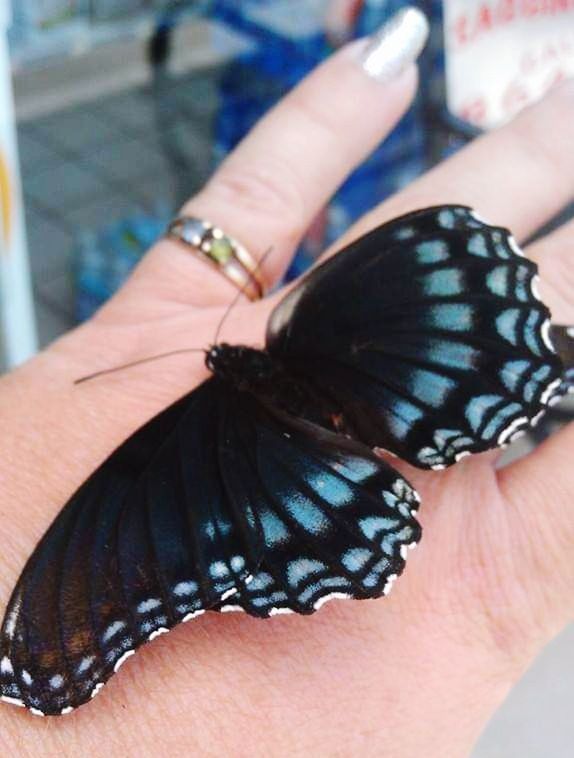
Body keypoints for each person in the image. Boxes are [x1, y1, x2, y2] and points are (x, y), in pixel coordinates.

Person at [0, 7, 572, 755]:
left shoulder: (168, 446)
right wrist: (48, 639)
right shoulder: (301, 322)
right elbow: (103, 580)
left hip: (297, 494)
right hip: (325, 458)